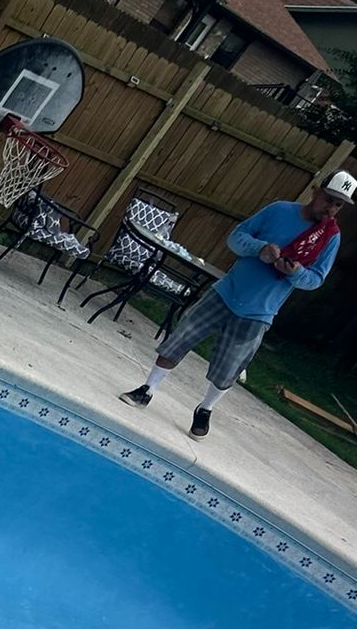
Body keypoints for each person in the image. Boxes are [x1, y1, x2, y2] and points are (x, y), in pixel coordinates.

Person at [118, 171, 352, 438]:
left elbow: (316, 279)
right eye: (329, 199)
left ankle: (205, 409)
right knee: (181, 338)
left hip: (259, 311)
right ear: (315, 190)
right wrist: (259, 248)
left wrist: (295, 272)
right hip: (225, 292)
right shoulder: (279, 210)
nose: (331, 208)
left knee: (230, 367)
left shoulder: (330, 237)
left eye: (338, 205)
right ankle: (147, 390)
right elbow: (236, 237)